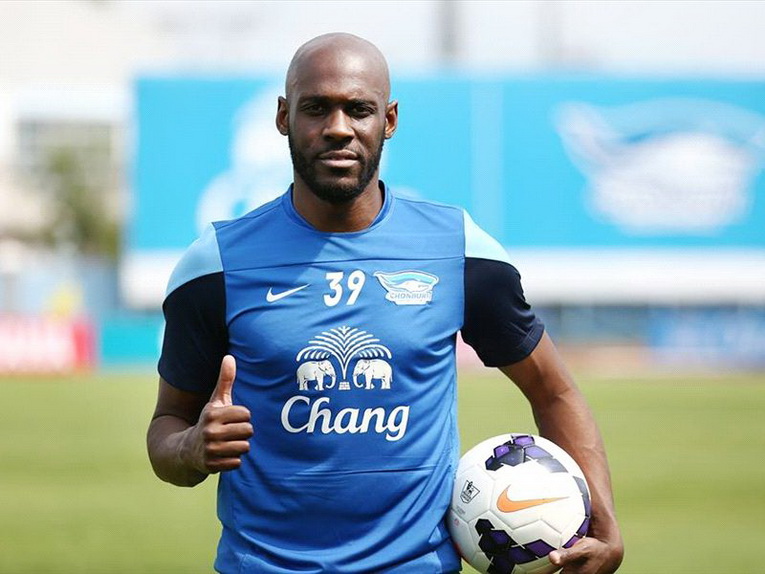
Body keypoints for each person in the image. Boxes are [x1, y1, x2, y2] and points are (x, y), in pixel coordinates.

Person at [147, 32, 624, 574]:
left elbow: (553, 390)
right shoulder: (216, 265)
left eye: (359, 109)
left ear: (389, 120)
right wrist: (191, 448)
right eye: (316, 108)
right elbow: (167, 425)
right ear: (283, 117)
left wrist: (605, 526)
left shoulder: (459, 251)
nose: (338, 128)